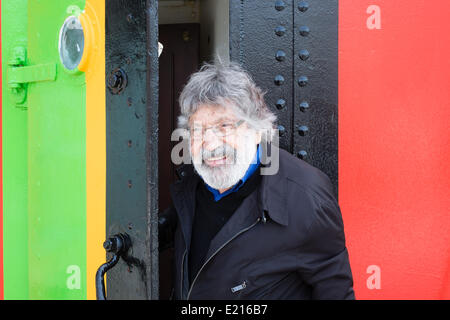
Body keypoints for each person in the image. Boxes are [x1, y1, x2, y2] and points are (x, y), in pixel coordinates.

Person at [159, 62, 355, 300]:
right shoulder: (189, 183)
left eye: (224, 126)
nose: (209, 144)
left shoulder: (306, 195)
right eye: (197, 130)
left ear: (257, 129)